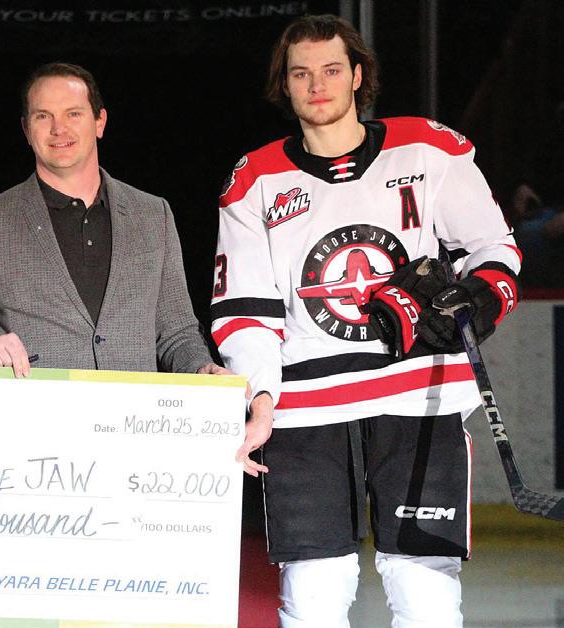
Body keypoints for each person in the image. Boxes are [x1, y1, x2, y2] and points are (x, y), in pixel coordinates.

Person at [212, 15, 521, 627]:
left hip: (419, 394)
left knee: (425, 589)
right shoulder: (254, 180)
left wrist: (478, 299)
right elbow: (246, 311)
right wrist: (262, 400)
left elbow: (494, 247)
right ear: (284, 84)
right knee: (314, 593)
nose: (317, 85)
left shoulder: (428, 149)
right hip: (306, 407)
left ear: (357, 75)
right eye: (301, 73)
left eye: (331, 70)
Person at [0, 62, 224, 377]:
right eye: (43, 116)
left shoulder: (153, 215)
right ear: (27, 130)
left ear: (99, 122)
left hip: (133, 408)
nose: (59, 129)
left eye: (73, 114)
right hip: (38, 407)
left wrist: (201, 367)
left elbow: (177, 332)